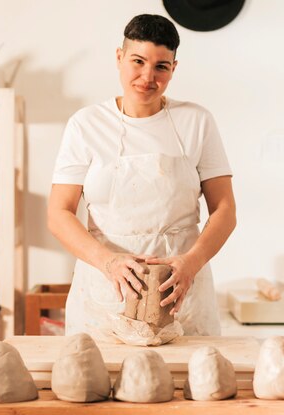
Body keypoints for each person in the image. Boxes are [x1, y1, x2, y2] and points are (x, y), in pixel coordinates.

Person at [48, 14, 236, 337]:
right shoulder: (86, 125)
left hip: (180, 294)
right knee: (97, 384)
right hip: (106, 295)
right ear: (119, 57)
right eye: (138, 61)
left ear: (174, 68)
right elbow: (58, 213)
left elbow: (225, 210)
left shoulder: (197, 122)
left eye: (161, 66)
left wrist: (191, 263)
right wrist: (108, 263)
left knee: (193, 385)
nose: (148, 77)